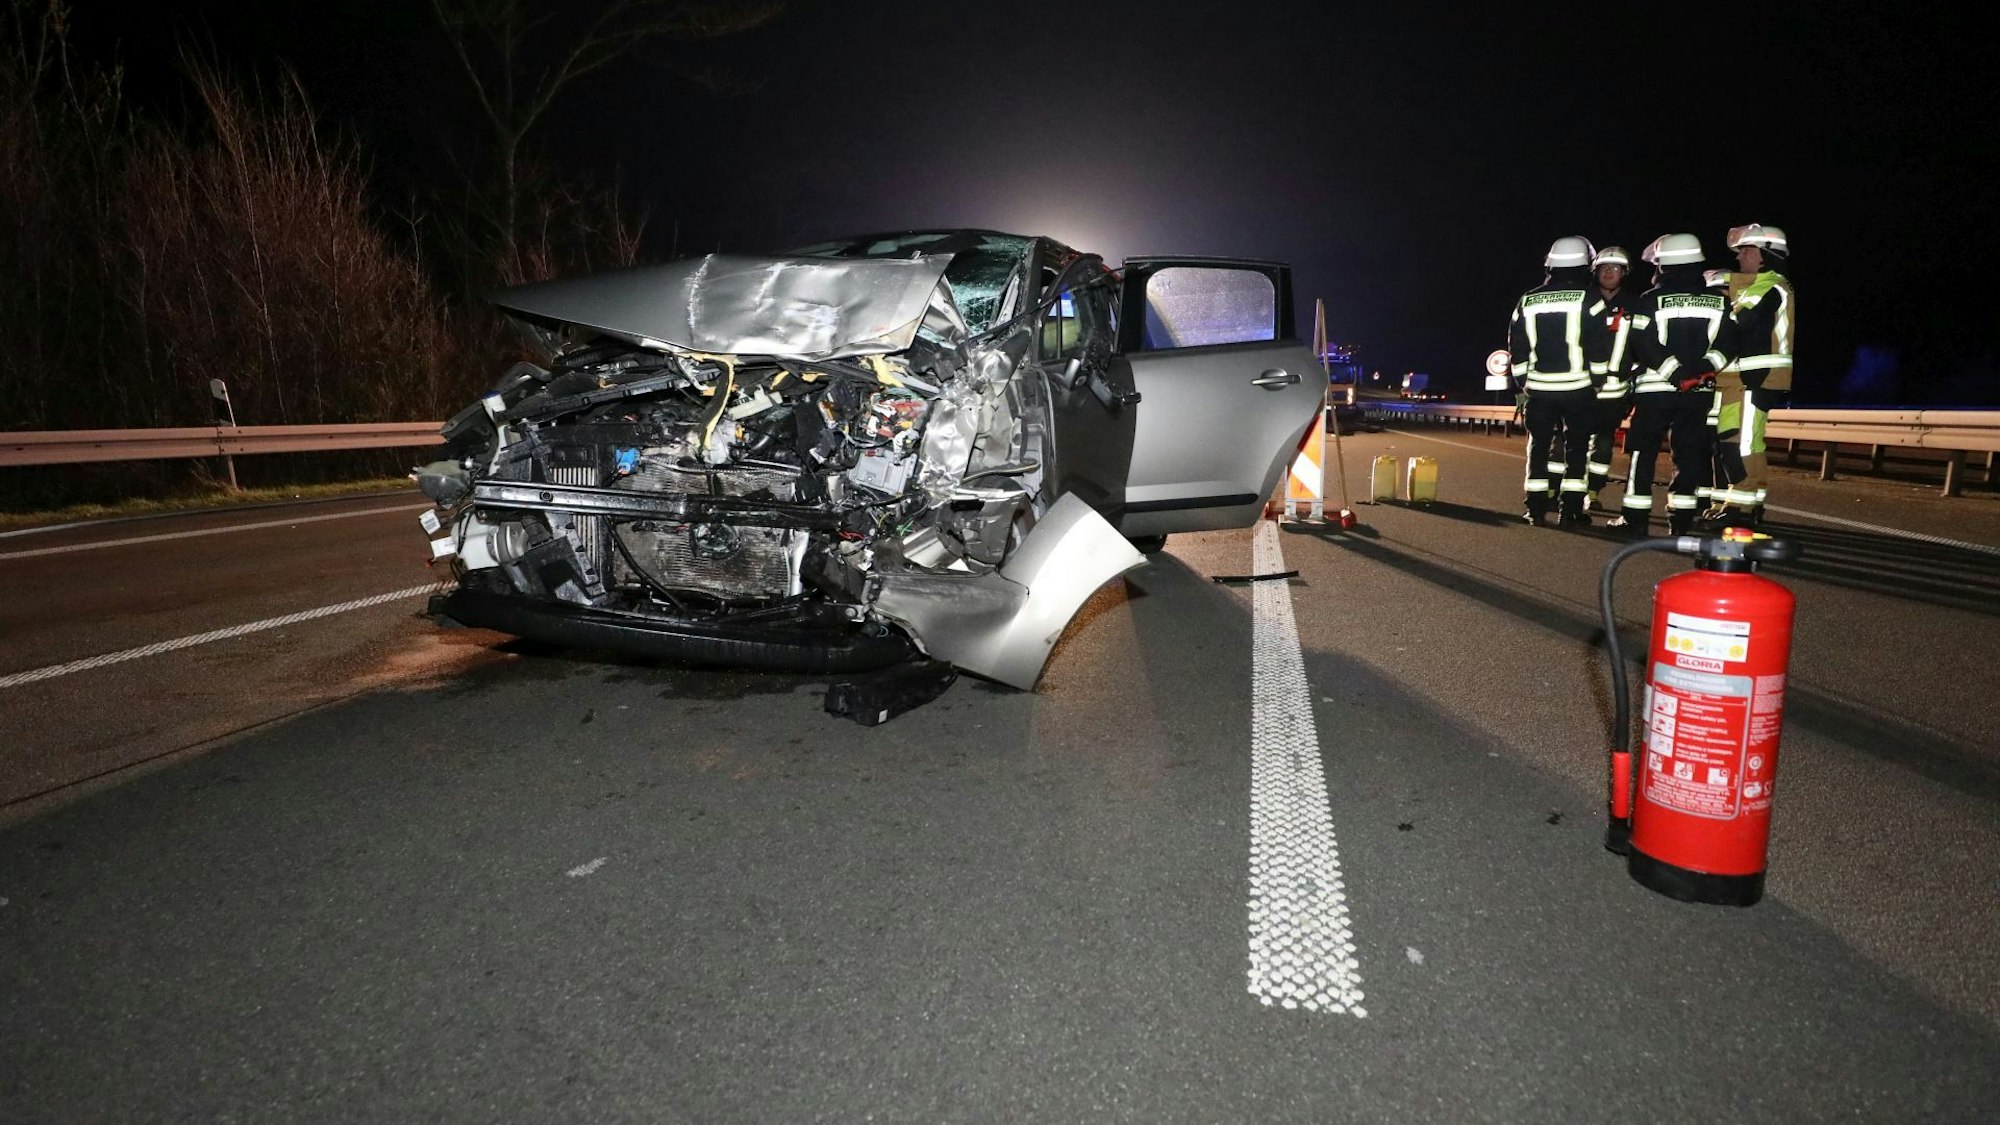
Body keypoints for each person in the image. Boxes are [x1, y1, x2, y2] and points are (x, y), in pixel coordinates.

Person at [1607, 234, 1737, 537]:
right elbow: (1728, 344)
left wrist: (1673, 372)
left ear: (1664, 264)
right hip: (1698, 393)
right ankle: (1681, 519)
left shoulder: (1648, 300)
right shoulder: (1719, 301)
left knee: (1643, 452)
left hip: (1655, 391)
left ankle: (1635, 517)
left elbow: (1641, 343)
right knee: (1689, 453)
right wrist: (1702, 371)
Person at [1506, 236, 1612, 527]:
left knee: (1538, 447)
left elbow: (1517, 345)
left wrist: (1522, 380)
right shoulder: (1590, 299)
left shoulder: (1528, 299)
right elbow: (1598, 345)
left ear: (1551, 264)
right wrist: (1598, 379)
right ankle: (1571, 512)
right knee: (1576, 450)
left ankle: (1535, 509)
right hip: (1578, 389)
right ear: (1584, 265)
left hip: (1539, 389)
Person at [1707, 224, 1794, 526]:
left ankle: (1737, 510)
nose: (1740, 255)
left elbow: (1741, 319)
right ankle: (1752, 504)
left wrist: (1713, 293)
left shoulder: (1769, 284)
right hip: (1752, 378)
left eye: (1748, 250)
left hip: (1756, 376)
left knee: (1739, 443)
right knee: (1751, 443)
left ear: (1765, 257)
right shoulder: (1769, 284)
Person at [1582, 246, 1636, 511]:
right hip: (1582, 387)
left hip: (1615, 391)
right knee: (1574, 443)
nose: (1609, 272)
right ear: (1595, 271)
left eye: (1615, 268)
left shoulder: (1635, 306)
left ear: (1624, 273)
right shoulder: (1583, 301)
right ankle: (1566, 491)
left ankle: (1593, 492)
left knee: (1603, 446)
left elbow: (1643, 345)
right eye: (1604, 268)